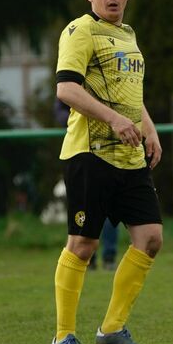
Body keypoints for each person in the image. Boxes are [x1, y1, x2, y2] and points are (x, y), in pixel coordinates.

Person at [50, 0, 163, 344]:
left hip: (129, 156)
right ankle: (63, 337)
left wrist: (149, 128)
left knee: (150, 239)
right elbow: (66, 89)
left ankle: (112, 329)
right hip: (90, 153)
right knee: (83, 244)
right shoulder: (80, 30)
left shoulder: (128, 35)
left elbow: (130, 93)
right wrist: (114, 120)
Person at [54, 97, 119, 270]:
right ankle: (87, 258)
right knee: (83, 218)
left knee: (110, 210)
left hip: (110, 152)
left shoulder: (111, 86)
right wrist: (77, 118)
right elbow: (60, 106)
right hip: (81, 154)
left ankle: (109, 256)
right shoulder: (73, 85)